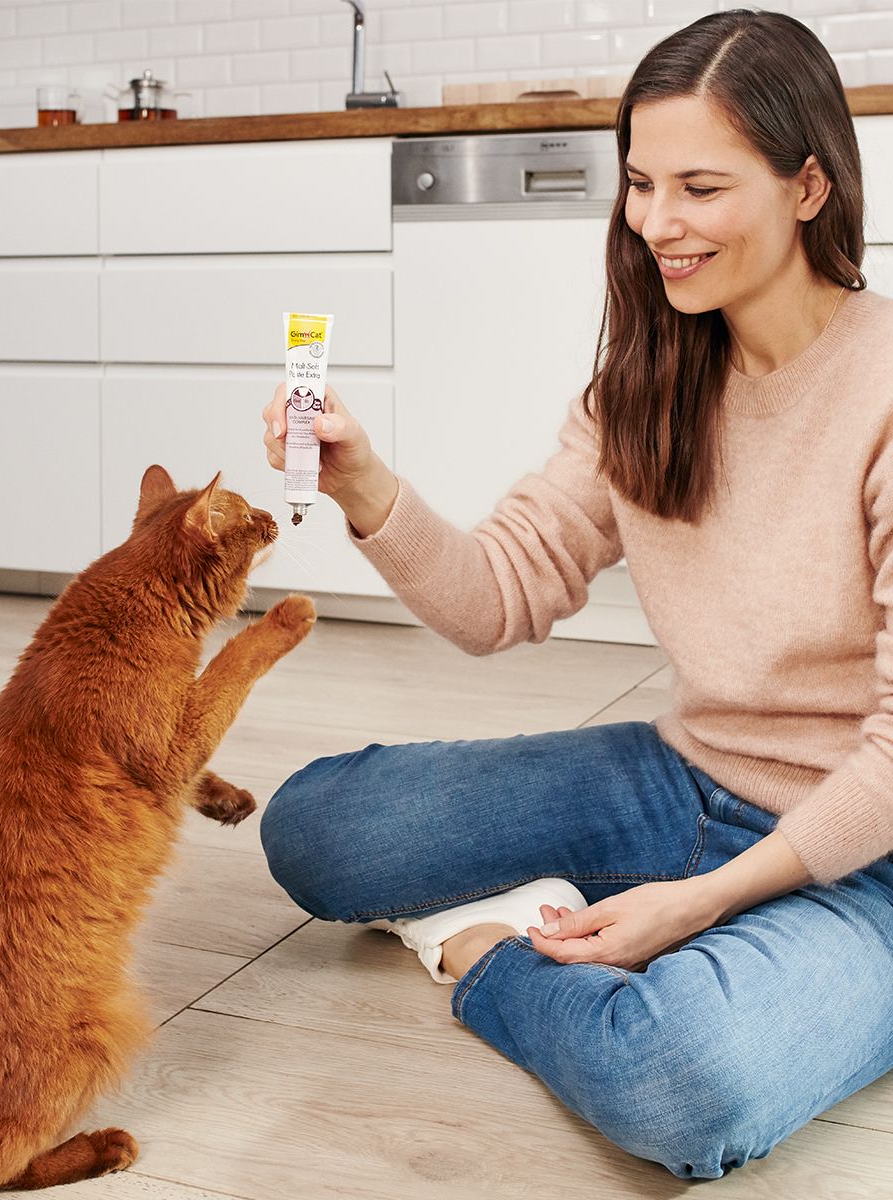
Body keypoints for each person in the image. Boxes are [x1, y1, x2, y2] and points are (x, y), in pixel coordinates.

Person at [258, 8, 893, 1182]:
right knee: (315, 828)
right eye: (641, 183)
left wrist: (703, 903)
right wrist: (363, 485)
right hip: (688, 776)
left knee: (686, 1080)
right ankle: (655, 925)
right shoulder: (642, 391)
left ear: (810, 186)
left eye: (700, 186)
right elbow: (498, 596)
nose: (657, 223)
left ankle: (485, 950)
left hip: (874, 853)